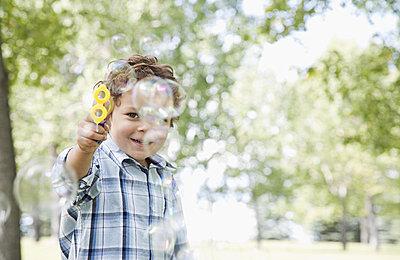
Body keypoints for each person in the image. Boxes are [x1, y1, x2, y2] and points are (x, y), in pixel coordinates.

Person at [52, 54, 188, 260]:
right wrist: (84, 149)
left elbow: (177, 248)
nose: (144, 127)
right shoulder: (94, 160)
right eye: (133, 115)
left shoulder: (165, 177)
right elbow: (70, 178)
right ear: (107, 115)